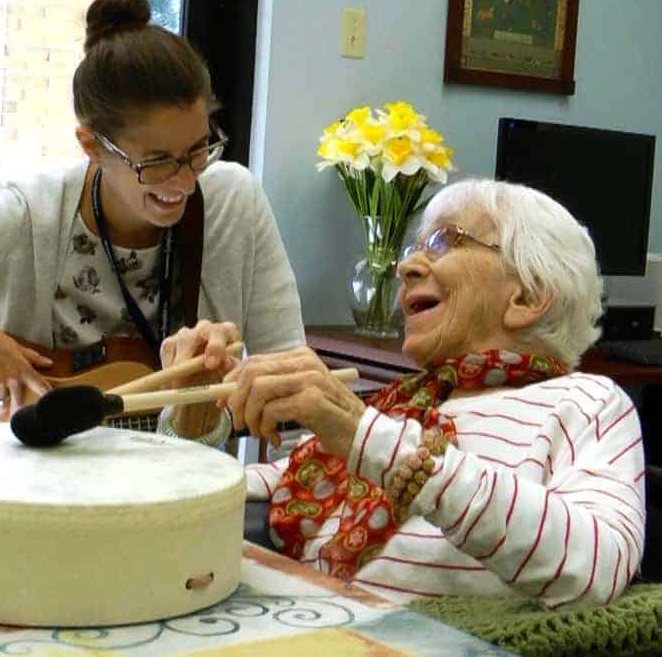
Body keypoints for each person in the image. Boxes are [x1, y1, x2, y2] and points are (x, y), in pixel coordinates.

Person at [0, 0, 305, 444]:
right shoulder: (25, 215)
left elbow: (291, 372)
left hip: (168, 495)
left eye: (199, 150)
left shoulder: (233, 203)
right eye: (156, 162)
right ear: (92, 145)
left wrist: (219, 413)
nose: (183, 181)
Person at [228, 178, 644, 609]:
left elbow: (596, 568)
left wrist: (371, 440)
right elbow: (244, 491)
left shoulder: (585, 402)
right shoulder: (405, 404)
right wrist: (187, 431)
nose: (405, 269)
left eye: (446, 240)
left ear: (527, 296)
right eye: (415, 249)